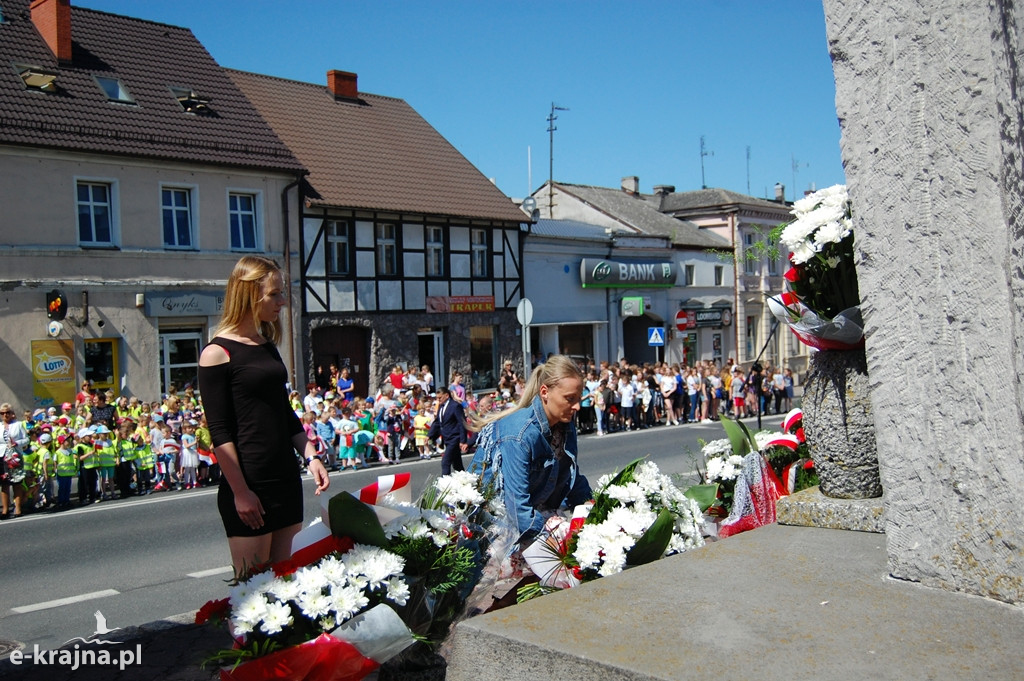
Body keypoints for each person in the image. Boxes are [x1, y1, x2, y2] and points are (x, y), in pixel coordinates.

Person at [198, 255, 330, 577]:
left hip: (284, 476)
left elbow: (282, 411)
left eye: (281, 293)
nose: (282, 302)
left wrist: (310, 455)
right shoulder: (217, 352)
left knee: (286, 583)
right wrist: (241, 492)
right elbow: (219, 431)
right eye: (275, 294)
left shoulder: (266, 345)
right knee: (252, 593)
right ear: (249, 294)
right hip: (249, 481)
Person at [468, 354, 592, 549]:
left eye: (579, 398)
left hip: (526, 524)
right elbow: (517, 508)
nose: (577, 406)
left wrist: (594, 510)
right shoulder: (519, 434)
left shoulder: (565, 426)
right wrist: (558, 540)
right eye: (570, 399)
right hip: (492, 533)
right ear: (545, 392)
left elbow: (570, 479)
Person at [427, 386, 468, 475]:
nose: (438, 400)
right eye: (437, 398)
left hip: (455, 438)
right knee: (457, 464)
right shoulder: (441, 407)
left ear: (446, 395)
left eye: (440, 397)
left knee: (445, 462)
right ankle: (465, 482)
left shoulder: (455, 406)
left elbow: (462, 423)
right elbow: (437, 422)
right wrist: (429, 435)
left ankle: (445, 485)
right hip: (446, 438)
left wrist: (463, 440)